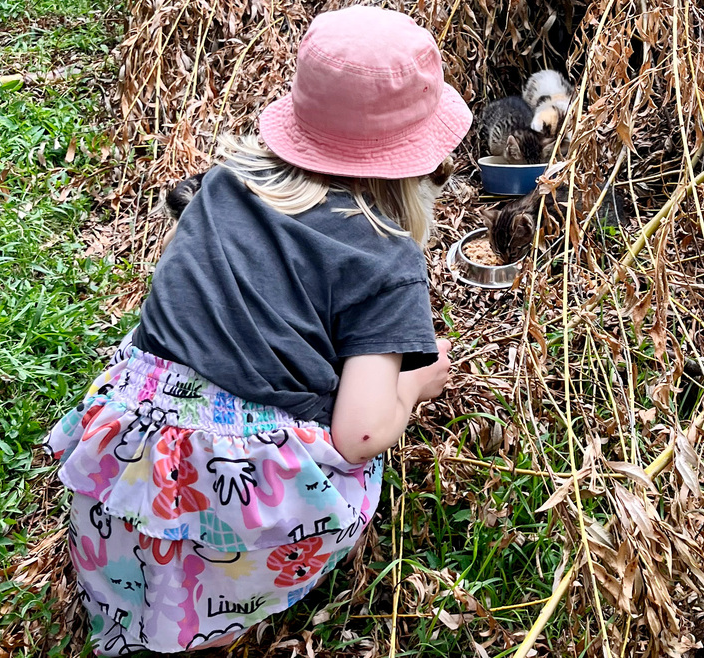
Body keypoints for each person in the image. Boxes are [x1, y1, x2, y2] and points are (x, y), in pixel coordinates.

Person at [43, 6, 472, 654]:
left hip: (126, 451)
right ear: (415, 159)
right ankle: (219, 617)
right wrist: (416, 385)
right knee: (344, 462)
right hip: (231, 485)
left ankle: (159, 607)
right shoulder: (386, 257)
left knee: (161, 550)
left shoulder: (222, 185)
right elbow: (358, 433)